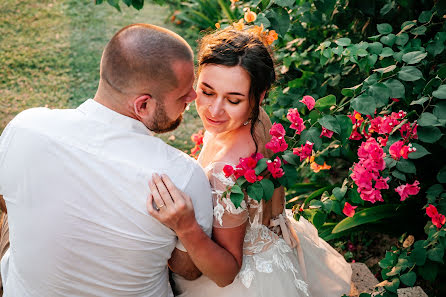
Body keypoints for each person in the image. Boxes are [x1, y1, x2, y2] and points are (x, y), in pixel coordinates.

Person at [0, 23, 213, 296]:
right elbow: (189, 269)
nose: (193, 96)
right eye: (184, 94)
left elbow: (6, 202)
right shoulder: (182, 175)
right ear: (143, 105)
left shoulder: (25, 126)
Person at [147, 27, 352, 297]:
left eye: (233, 99)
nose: (215, 110)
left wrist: (186, 227)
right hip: (274, 245)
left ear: (260, 95)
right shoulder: (255, 119)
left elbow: (226, 272)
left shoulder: (227, 169)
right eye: (207, 92)